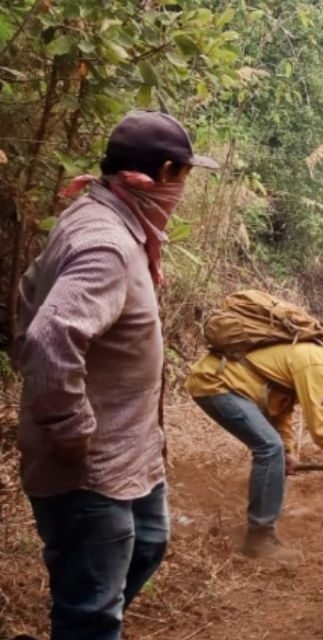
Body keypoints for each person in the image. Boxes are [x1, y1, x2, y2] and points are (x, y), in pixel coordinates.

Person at [13, 110, 218, 640]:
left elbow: (27, 293)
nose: (184, 191)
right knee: (92, 612)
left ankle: (88, 614)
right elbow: (49, 338)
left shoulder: (108, 220)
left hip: (129, 448)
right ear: (164, 173)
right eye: (184, 177)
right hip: (89, 465)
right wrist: (71, 433)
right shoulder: (105, 242)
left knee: (148, 540)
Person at [185, 313, 323, 559]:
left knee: (276, 449)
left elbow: (280, 405)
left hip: (222, 383)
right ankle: (259, 539)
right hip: (217, 385)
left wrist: (289, 449)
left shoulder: (313, 355)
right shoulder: (317, 363)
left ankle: (264, 516)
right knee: (269, 448)